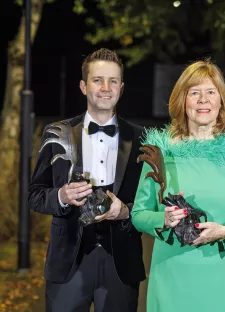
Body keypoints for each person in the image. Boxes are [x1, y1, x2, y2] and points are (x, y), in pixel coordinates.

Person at [131, 59, 225, 312]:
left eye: (210, 92)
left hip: (224, 277)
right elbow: (139, 214)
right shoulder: (160, 153)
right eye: (194, 93)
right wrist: (162, 219)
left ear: (221, 101)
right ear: (182, 102)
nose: (203, 100)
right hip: (172, 274)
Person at [29, 48, 145, 312]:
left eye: (113, 80)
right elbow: (34, 194)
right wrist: (62, 196)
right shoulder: (57, 133)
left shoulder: (142, 138)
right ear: (83, 86)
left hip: (122, 263)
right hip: (68, 260)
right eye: (97, 80)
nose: (106, 88)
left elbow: (152, 201)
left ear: (122, 87)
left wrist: (126, 211)